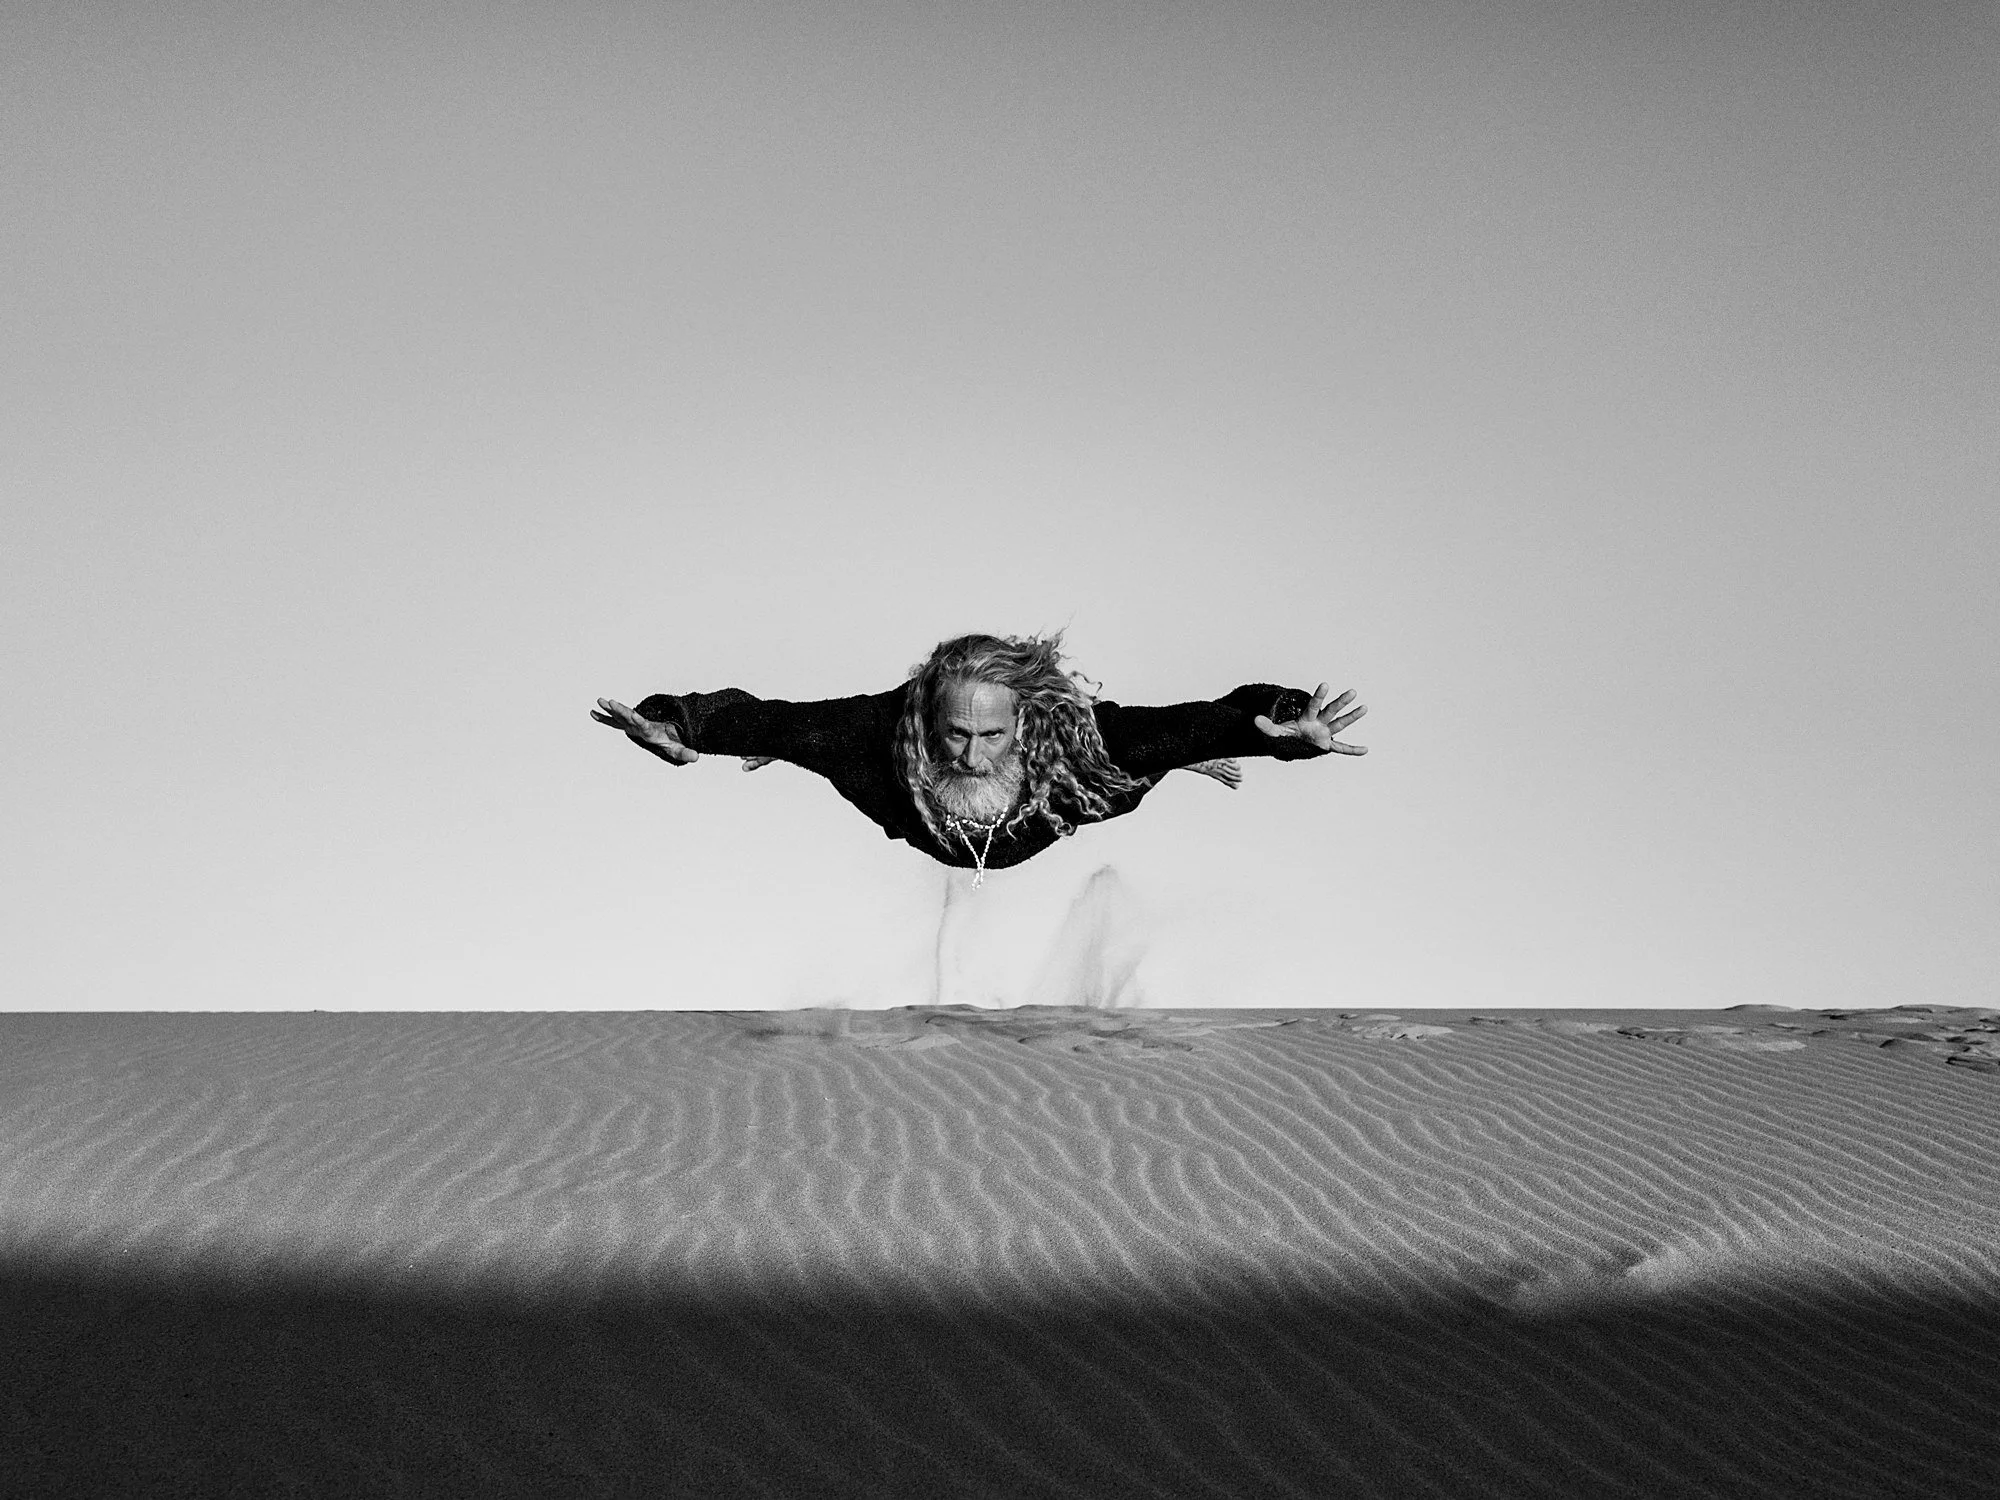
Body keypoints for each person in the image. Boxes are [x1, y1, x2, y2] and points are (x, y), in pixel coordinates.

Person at [592, 631, 1366, 887]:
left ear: (1023, 722)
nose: (968, 753)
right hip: (917, 817)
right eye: (954, 733)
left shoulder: (1086, 743)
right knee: (793, 742)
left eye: (990, 736)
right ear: (927, 716)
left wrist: (1293, 720)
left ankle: (1170, 771)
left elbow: (1223, 716)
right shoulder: (874, 735)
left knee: (1159, 752)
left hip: (1064, 800)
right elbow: (764, 717)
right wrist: (679, 726)